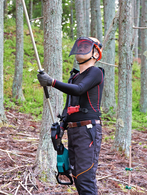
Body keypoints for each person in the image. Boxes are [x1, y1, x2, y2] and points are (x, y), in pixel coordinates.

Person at [37, 37, 104, 195]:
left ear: (95, 53)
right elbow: (70, 106)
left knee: (85, 177)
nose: (81, 48)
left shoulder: (95, 72)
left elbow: (79, 90)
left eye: (86, 46)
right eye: (79, 46)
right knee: (77, 176)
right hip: (74, 132)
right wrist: (61, 126)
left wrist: (52, 82)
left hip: (88, 131)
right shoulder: (74, 77)